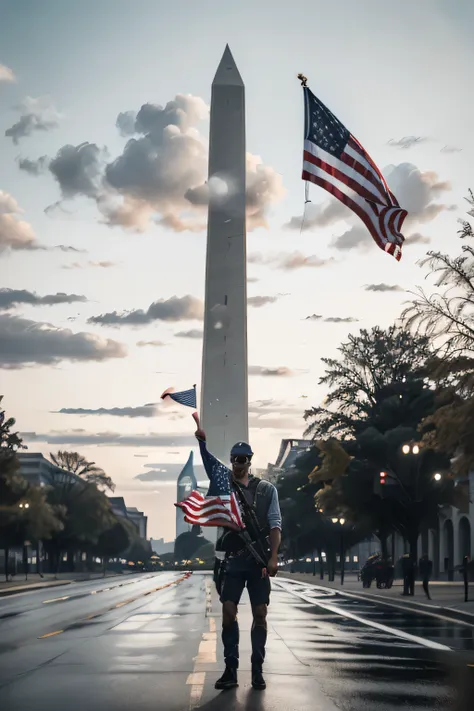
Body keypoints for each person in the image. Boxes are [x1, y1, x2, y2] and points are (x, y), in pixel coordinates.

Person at [195, 426, 282, 692]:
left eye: (242, 459)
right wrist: (202, 443)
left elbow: (275, 524)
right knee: (228, 614)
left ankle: (257, 669)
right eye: (234, 458)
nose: (237, 463)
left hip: (257, 562)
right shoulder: (223, 484)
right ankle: (230, 670)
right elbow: (209, 463)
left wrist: (274, 557)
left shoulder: (266, 490)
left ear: (249, 461)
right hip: (232, 560)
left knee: (260, 614)